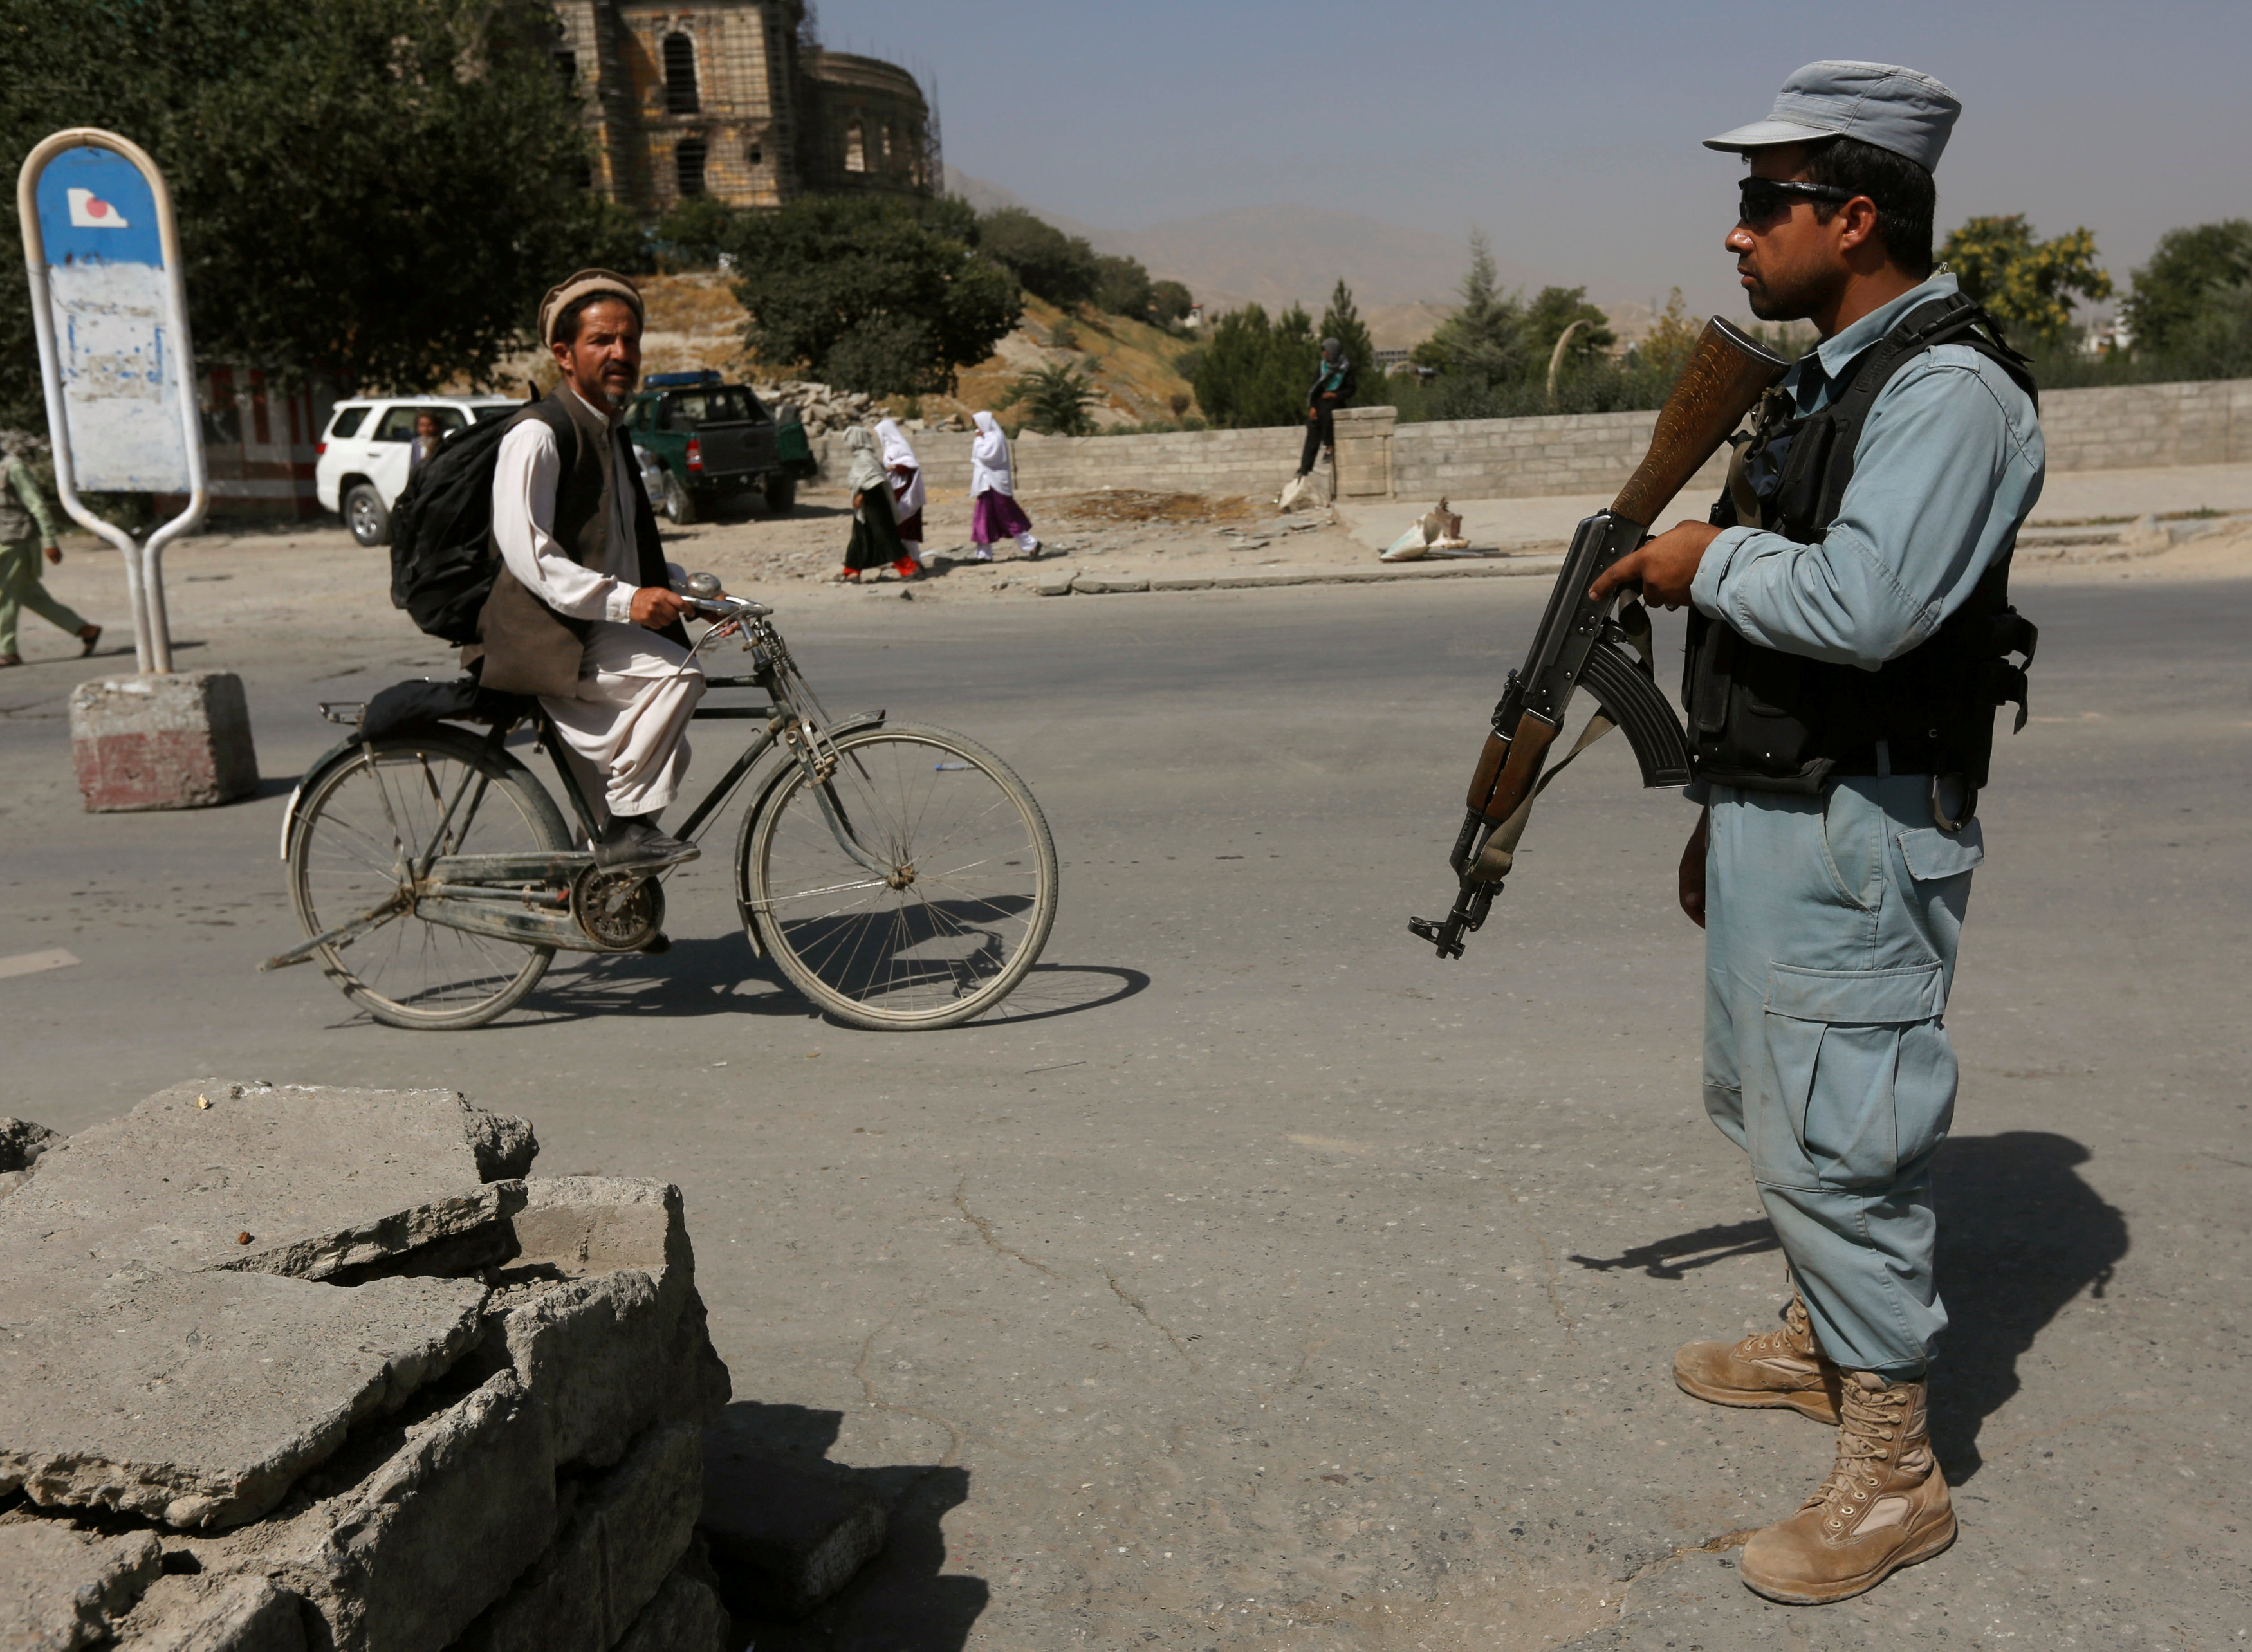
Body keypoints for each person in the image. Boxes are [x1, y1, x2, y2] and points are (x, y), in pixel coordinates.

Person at [1587, 61, 2044, 1606]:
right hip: (1787, 801)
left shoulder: (1947, 391)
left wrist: (1698, 557)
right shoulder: (1834, 379)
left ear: (1854, 217)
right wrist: (1724, 798)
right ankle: (1818, 1339)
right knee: (1773, 1102)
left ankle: (1895, 1470)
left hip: (1864, 817)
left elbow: (1867, 602)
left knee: (1844, 1135)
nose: (1734, 235)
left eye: (1759, 205)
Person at [472, 269, 709, 871]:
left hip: (585, 625)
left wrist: (685, 589)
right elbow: (531, 554)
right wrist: (627, 604)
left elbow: (621, 552)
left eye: (629, 341)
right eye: (603, 341)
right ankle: (627, 837)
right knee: (674, 678)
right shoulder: (539, 434)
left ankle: (599, 895)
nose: (620, 354)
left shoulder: (609, 431)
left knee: (664, 754)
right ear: (564, 353)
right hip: (547, 635)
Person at [0, 432, 98, 668]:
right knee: (31, 596)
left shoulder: (13, 468)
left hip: (17, 541)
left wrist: (50, 541)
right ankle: (85, 630)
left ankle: (7, 651)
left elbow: (37, 505)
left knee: (5, 597)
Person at [838, 427, 920, 583]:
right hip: (867, 505)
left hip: (874, 504)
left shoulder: (865, 458)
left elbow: (874, 480)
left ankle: (909, 568)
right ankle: (852, 571)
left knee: (886, 536)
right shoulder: (865, 457)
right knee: (860, 536)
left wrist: (861, 495)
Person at [967, 411, 1040, 560]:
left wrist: (979, 440)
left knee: (1006, 516)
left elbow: (985, 456)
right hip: (986, 483)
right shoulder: (986, 437)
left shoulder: (995, 437)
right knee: (984, 517)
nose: (976, 427)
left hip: (996, 483)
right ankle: (983, 554)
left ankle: (1031, 544)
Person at [1295, 336, 1356, 479]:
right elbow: (1315, 388)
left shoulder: (1346, 368)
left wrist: (1335, 395)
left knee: (1329, 414)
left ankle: (1330, 447)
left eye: (1326, 351)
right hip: (1320, 404)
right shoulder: (1323, 367)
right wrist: (1312, 408)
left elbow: (1351, 389)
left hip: (1336, 402)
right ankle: (1305, 468)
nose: (1324, 354)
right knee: (1312, 430)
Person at [874, 418, 928, 566]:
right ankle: (902, 559)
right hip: (895, 491)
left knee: (907, 528)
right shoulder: (890, 448)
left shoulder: (900, 447)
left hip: (906, 494)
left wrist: (894, 467)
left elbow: (911, 465)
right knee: (897, 528)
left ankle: (914, 561)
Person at [407, 410, 444, 480]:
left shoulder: (440, 444)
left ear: (437, 427)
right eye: (422, 426)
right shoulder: (416, 443)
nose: (425, 429)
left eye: (429, 425)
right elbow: (414, 463)